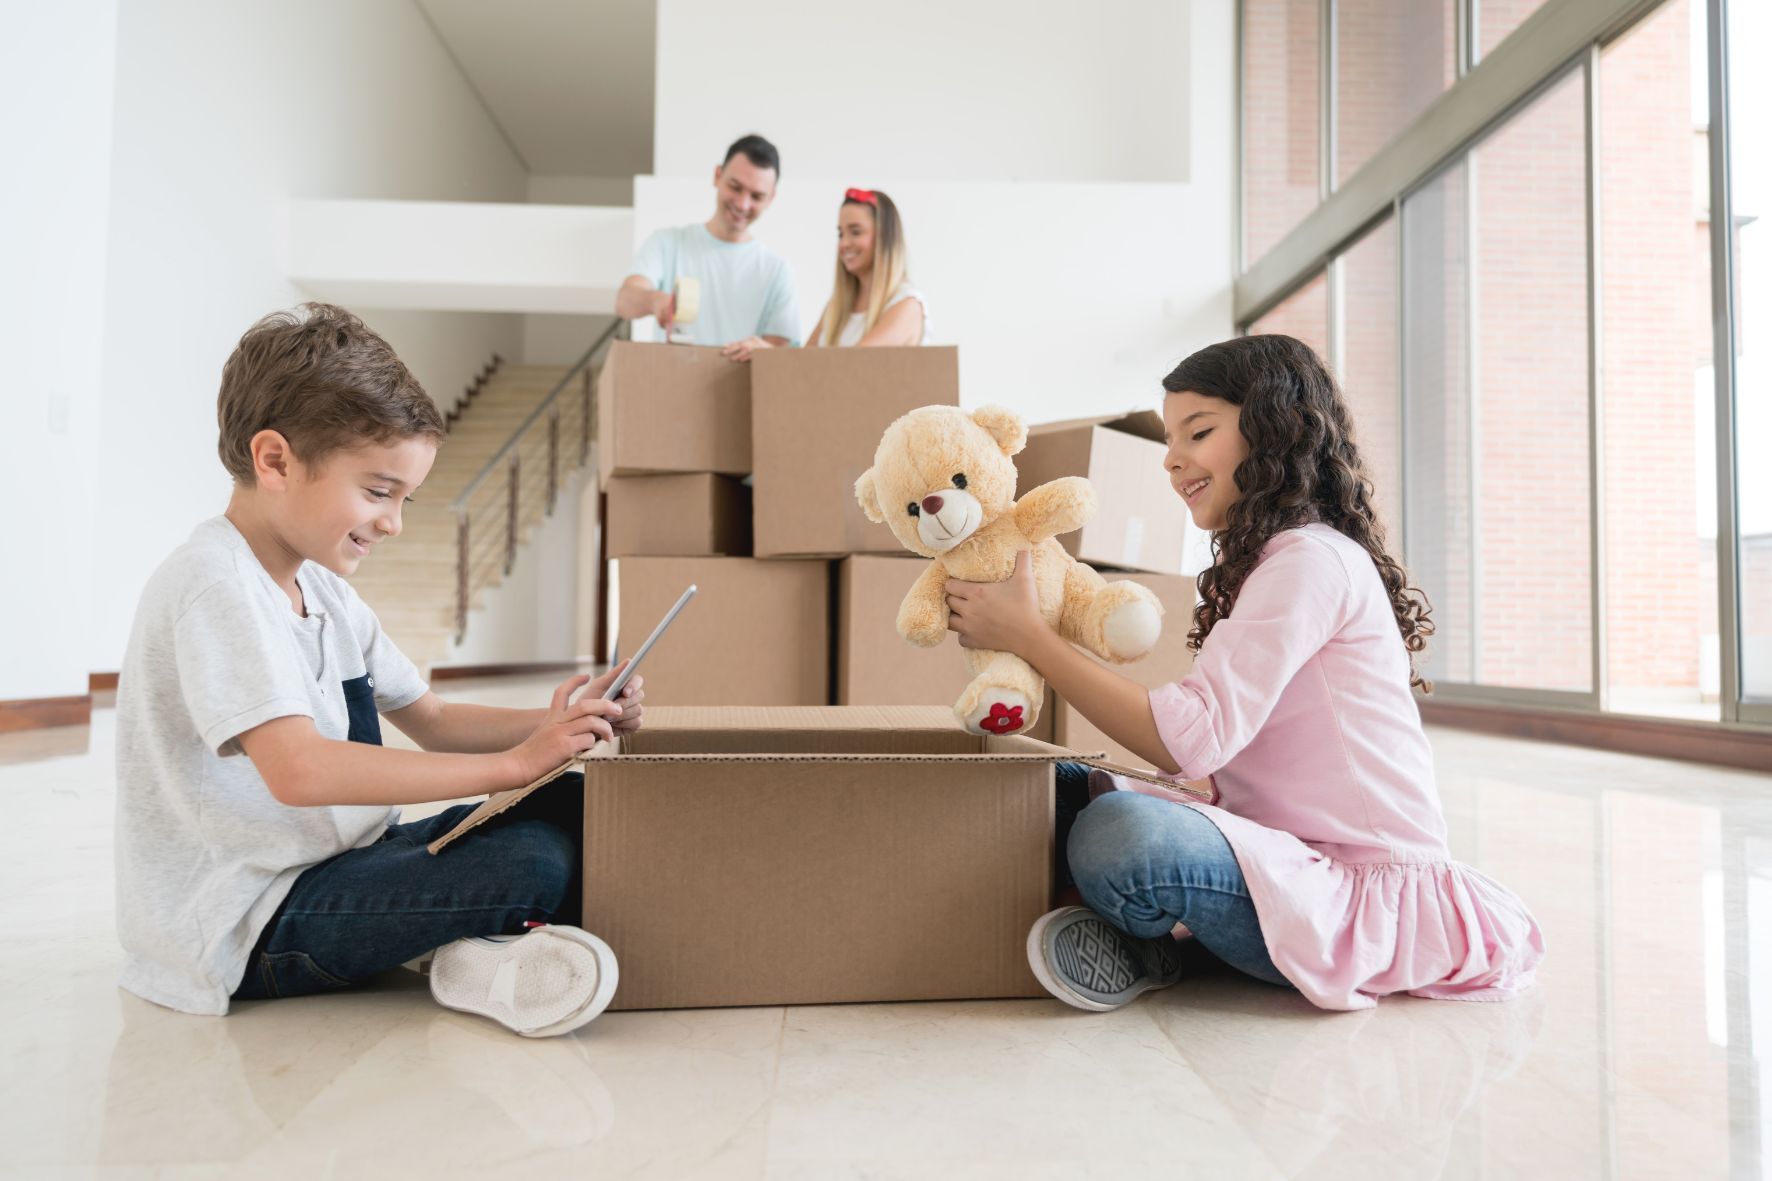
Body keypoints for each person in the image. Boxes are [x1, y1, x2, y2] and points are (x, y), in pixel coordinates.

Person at [943, 334, 1545, 1013]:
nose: (1173, 460)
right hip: (1277, 851)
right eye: (1171, 439)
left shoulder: (1309, 561)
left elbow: (1190, 742)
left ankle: (1155, 941)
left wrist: (1030, 637)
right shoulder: (1274, 561)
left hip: (1350, 895)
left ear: (1272, 428)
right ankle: (1140, 926)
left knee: (1122, 836)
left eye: (1197, 432)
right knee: (1049, 785)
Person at [114, 303, 644, 1037]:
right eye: (377, 491)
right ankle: (463, 948)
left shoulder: (324, 587)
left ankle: (460, 945)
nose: (393, 522)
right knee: (533, 864)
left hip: (347, 861)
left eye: (404, 497)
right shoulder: (214, 585)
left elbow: (433, 720)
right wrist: (514, 764)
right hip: (251, 919)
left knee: (572, 809)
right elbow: (298, 771)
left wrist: (561, 726)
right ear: (274, 461)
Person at [615, 134, 801, 362]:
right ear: (717, 176)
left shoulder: (777, 272)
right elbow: (625, 301)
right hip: (671, 389)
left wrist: (763, 352)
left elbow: (781, 362)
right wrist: (655, 301)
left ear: (771, 198)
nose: (743, 204)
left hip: (740, 395)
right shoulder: (668, 243)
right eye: (735, 187)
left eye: (756, 196)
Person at [809, 187, 929, 347]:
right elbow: (802, 364)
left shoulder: (907, 305)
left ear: (884, 238)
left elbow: (858, 366)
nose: (844, 243)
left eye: (856, 232)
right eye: (841, 234)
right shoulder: (836, 306)